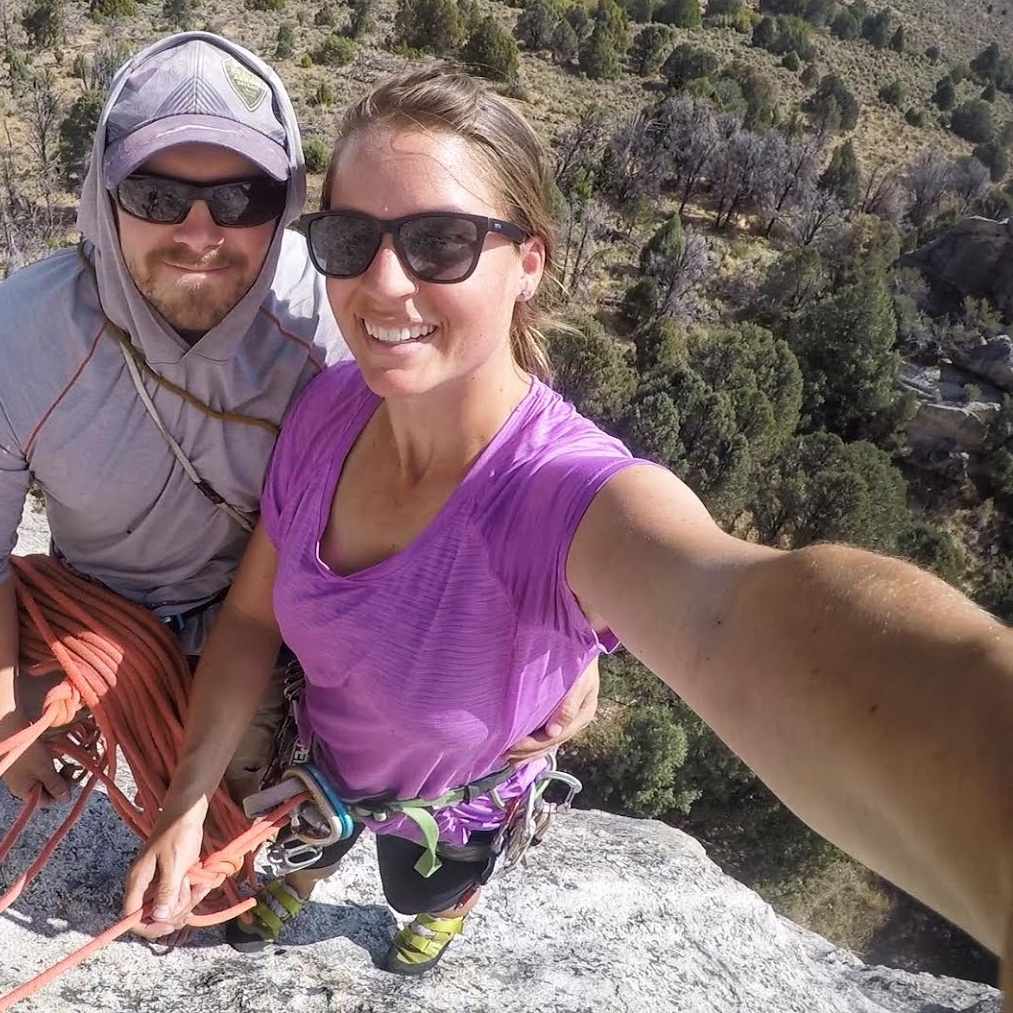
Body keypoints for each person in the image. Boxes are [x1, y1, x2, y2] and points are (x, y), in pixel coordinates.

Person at [0, 35, 599, 983]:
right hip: (91, 605)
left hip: (252, 628)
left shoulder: (342, 316)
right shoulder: (5, 350)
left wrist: (563, 645)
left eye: (242, 200)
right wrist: (6, 717)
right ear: (104, 200)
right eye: (154, 197)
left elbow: (485, 439)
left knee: (232, 844)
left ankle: (419, 879)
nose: (199, 230)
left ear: (286, 211)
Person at [124, 65, 1013, 984]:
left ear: (530, 263)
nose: (383, 283)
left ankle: (445, 907)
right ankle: (316, 866)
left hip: (458, 805)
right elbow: (252, 617)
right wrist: (189, 802)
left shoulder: (560, 492)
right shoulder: (328, 411)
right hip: (323, 767)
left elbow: (729, 613)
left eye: (440, 242)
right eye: (350, 238)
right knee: (303, 860)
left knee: (422, 897)